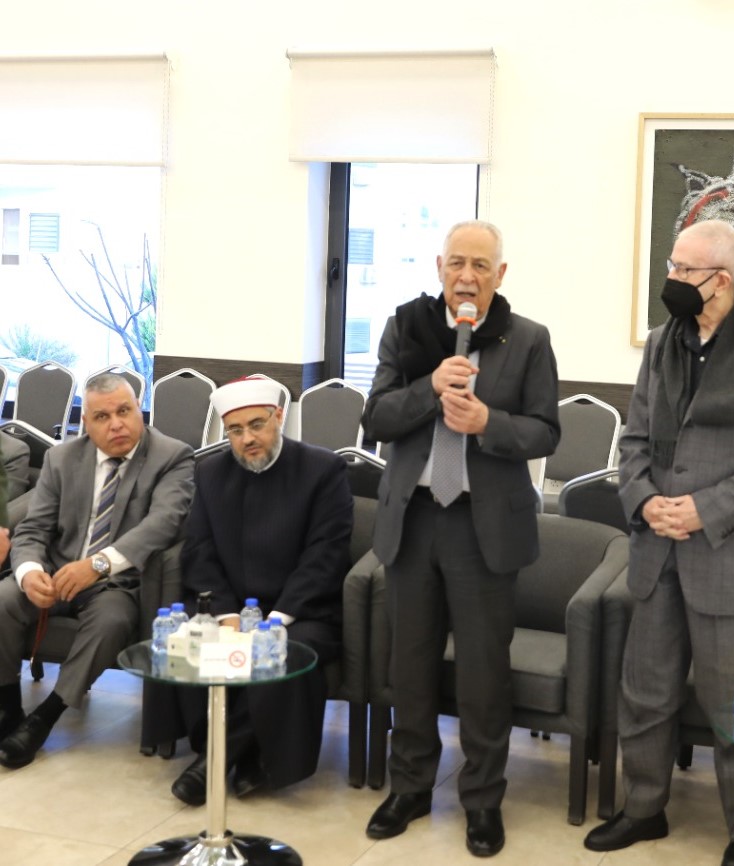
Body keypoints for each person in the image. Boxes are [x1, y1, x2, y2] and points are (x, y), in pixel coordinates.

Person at [583, 219, 734, 866]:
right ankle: (643, 808)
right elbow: (634, 437)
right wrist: (644, 500)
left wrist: (703, 510)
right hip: (657, 547)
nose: (671, 279)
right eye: (671, 265)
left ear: (721, 280)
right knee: (646, 692)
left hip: (732, 555)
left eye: (683, 270)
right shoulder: (664, 342)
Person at [361, 220, 560, 855]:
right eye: (456, 263)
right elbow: (376, 416)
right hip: (414, 518)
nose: (466, 277)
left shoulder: (528, 339)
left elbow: (546, 432)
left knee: (482, 674)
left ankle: (481, 800)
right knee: (410, 664)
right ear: (439, 267)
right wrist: (430, 388)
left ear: (500, 274)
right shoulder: (407, 327)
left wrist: (487, 422)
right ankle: (410, 787)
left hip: (484, 525)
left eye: (480, 265)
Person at [143, 375, 354, 805]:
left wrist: (276, 620)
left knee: (286, 654)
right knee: (191, 639)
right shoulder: (211, 471)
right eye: (235, 431)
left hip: (302, 611)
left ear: (279, 417)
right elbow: (199, 550)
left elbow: (326, 555)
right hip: (232, 608)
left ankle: (213, 763)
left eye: (257, 425)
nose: (247, 440)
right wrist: (226, 615)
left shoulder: (322, 469)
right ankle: (249, 758)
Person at [0, 372, 195, 769]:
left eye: (124, 411)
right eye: (102, 417)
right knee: (3, 598)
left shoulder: (172, 456)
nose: (116, 424)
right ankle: (7, 707)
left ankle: (45, 717)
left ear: (139, 411)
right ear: (86, 423)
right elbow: (34, 529)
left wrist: (99, 565)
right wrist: (30, 571)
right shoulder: (62, 458)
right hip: (55, 572)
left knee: (111, 621)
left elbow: (164, 523)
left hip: (117, 583)